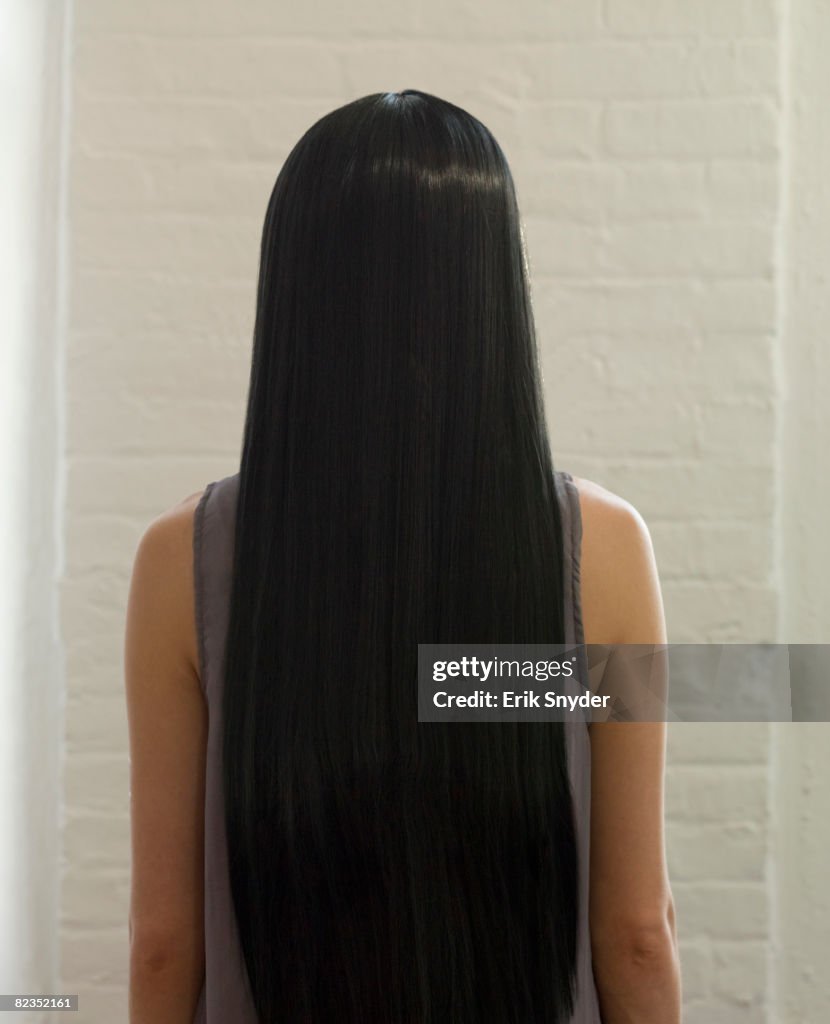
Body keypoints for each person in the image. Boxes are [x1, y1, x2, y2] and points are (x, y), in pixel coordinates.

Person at [125, 90, 681, 1023]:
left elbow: (162, 943)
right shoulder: (602, 552)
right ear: (492, 292)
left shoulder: (181, 561)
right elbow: (635, 933)